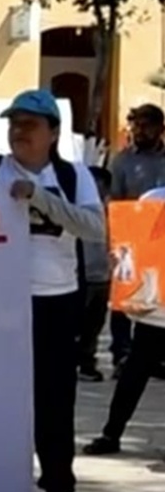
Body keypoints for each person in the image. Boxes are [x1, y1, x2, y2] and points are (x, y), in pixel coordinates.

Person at [0, 89, 105, 492]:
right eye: (14, 122)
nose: (19, 131)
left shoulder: (72, 175)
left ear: (53, 133)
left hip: (55, 303)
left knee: (54, 407)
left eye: (30, 123)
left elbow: (94, 228)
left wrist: (40, 197)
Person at [82, 183, 165, 456]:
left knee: (136, 371)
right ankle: (111, 433)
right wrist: (129, 295)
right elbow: (130, 249)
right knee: (135, 372)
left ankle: (111, 433)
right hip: (153, 306)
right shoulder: (152, 200)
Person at [107, 104, 165, 376]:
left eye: (147, 125)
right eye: (137, 125)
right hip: (130, 238)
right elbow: (114, 199)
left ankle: (156, 356)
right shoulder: (121, 161)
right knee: (125, 294)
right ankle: (122, 353)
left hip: (161, 240)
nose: (140, 131)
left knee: (157, 294)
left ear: (160, 129)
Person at [77, 166, 112, 383]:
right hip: (83, 277)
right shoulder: (80, 214)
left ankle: (87, 362)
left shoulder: (113, 216)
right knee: (76, 324)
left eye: (101, 188)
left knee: (95, 324)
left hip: (104, 277)